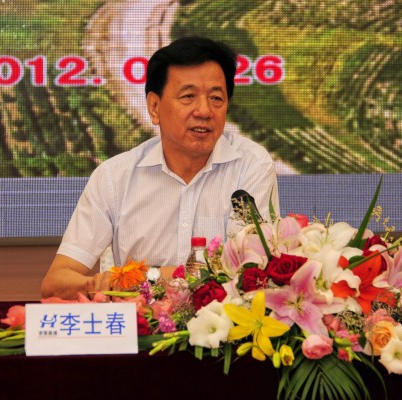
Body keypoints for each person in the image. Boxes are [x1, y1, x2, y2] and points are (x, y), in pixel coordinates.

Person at [41, 36, 279, 299]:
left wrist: (143, 278)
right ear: (154, 107)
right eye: (188, 97)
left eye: (216, 98)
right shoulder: (114, 177)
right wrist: (100, 285)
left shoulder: (250, 166)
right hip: (140, 323)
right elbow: (55, 282)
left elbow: (251, 271)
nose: (204, 110)